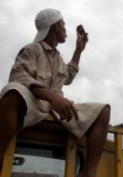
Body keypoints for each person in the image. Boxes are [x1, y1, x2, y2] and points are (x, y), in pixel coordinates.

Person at [0, 8, 110, 177]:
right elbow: (18, 76)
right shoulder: (32, 49)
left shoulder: (57, 58)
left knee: (103, 111)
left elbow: (68, 76)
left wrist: (79, 50)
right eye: (63, 24)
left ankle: (89, 173)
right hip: (35, 105)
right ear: (55, 26)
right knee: (12, 92)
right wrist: (52, 97)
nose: (66, 28)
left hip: (58, 111)